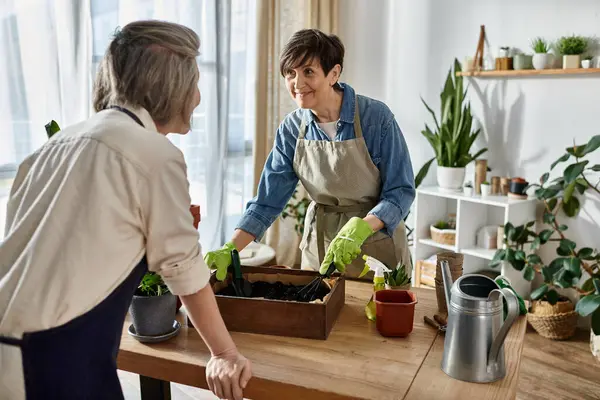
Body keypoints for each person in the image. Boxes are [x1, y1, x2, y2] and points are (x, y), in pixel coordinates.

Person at [0, 20, 251, 400]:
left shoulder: (54, 146)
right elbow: (183, 268)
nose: (198, 97)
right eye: (194, 83)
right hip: (47, 356)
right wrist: (225, 353)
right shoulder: (154, 154)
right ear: (171, 85)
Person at [205, 29, 415, 281]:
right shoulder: (292, 129)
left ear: (334, 74)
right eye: (290, 73)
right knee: (318, 314)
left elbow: (400, 191)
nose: (297, 83)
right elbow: (267, 201)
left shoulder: (375, 118)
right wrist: (232, 248)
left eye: (308, 72)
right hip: (320, 247)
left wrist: (363, 227)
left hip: (377, 245)